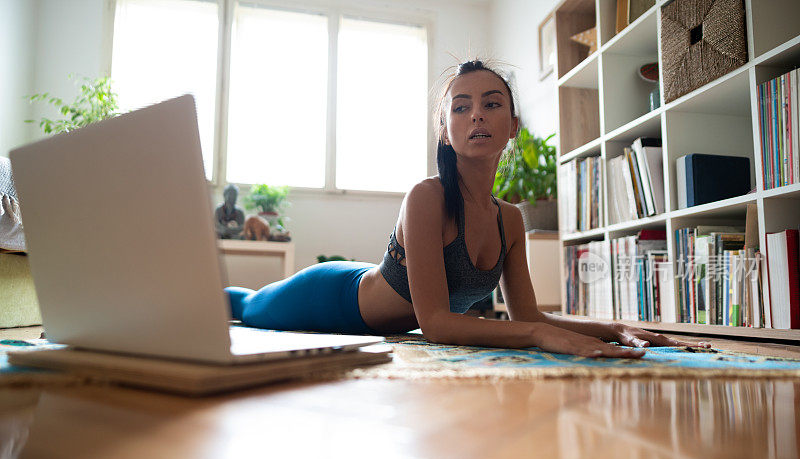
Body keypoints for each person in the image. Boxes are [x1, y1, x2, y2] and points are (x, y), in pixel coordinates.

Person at [226, 59, 708, 357]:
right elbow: (434, 323)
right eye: (461, 106)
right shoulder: (427, 197)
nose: (476, 113)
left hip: (362, 296)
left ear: (513, 124)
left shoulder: (511, 220)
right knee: (242, 306)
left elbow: (529, 315)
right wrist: (537, 337)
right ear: (446, 129)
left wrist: (617, 328)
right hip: (331, 298)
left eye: (491, 103)